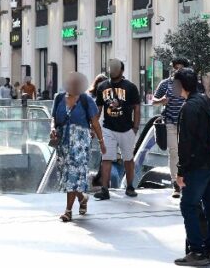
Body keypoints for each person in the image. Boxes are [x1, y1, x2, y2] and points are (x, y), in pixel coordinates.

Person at [173, 67, 210, 267]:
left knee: (188, 205)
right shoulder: (208, 101)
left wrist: (181, 170)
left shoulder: (188, 108)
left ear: (182, 85)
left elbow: (185, 143)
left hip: (197, 165)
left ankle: (197, 251)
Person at [50, 71, 105, 222]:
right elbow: (53, 118)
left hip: (80, 143)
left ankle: (68, 211)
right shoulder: (59, 98)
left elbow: (95, 123)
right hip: (63, 143)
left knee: (73, 175)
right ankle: (82, 197)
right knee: (67, 176)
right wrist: (53, 129)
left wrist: (101, 142)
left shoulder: (86, 100)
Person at [93, 59, 141, 200]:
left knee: (128, 159)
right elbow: (99, 108)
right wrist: (94, 126)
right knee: (106, 158)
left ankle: (130, 186)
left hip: (127, 128)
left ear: (121, 70)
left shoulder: (130, 87)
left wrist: (135, 127)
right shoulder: (102, 86)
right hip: (108, 128)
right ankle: (104, 189)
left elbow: (137, 107)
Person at [152, 57, 195, 199]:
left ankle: (187, 182)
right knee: (174, 152)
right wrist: (161, 101)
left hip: (187, 123)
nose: (178, 70)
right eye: (176, 67)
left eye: (181, 68)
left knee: (188, 152)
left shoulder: (190, 84)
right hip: (170, 122)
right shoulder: (166, 83)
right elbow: (153, 101)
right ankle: (175, 184)